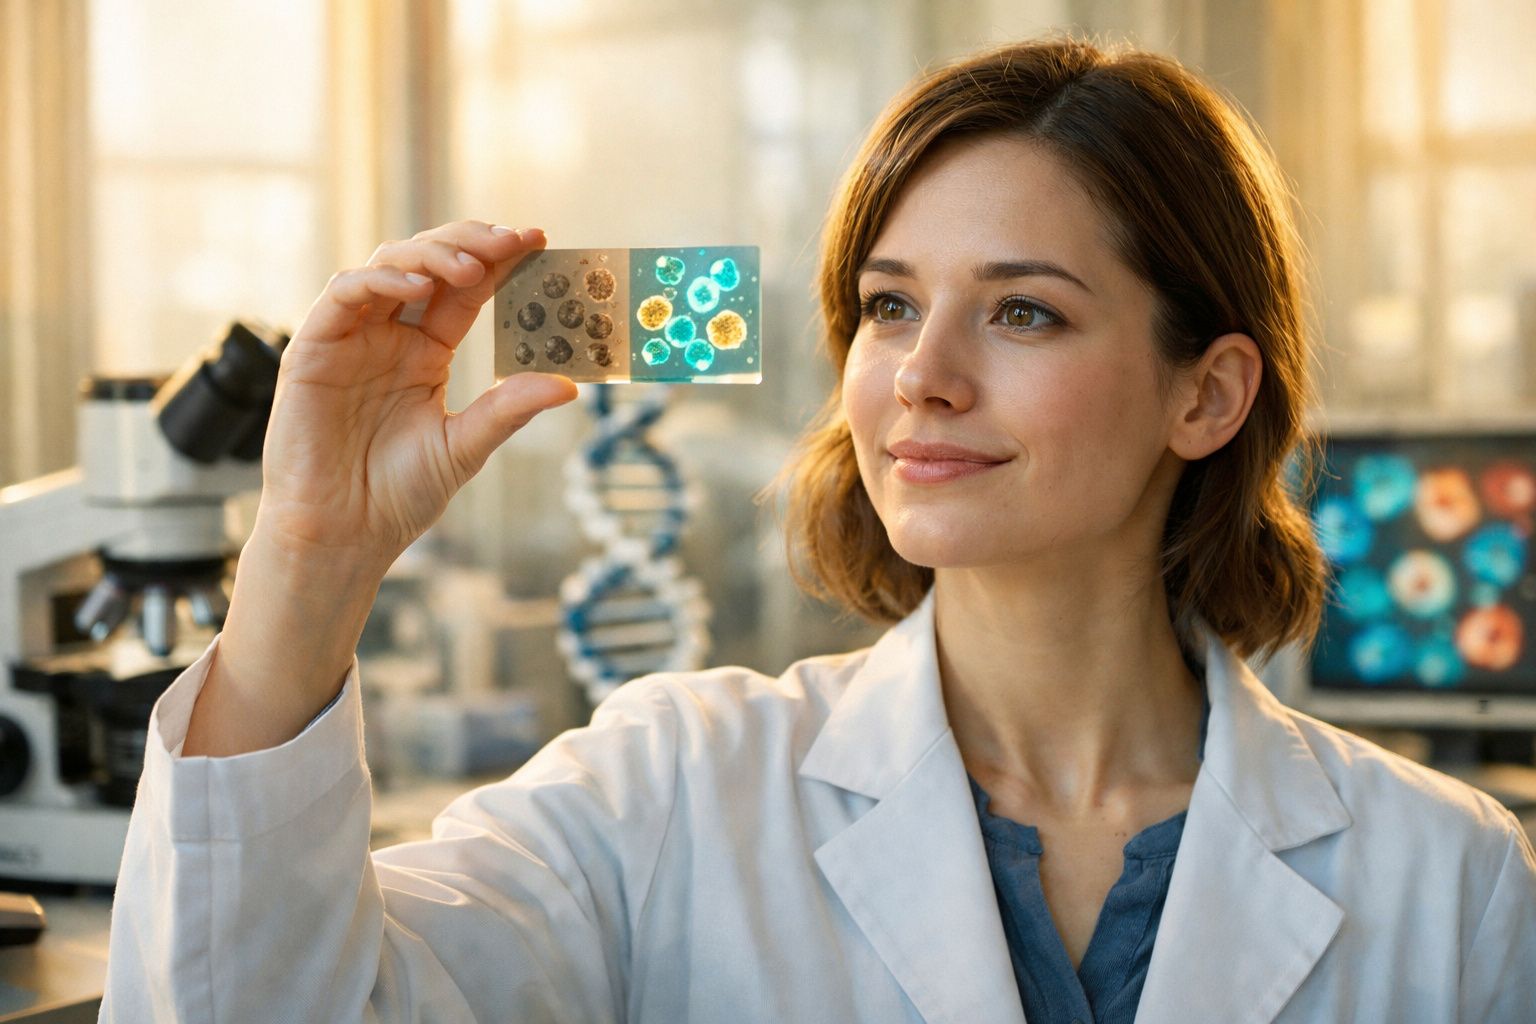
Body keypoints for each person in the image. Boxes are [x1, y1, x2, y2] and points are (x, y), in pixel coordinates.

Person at [101, 36, 1535, 1023]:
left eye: (1023, 310)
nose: (923, 376)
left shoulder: (1452, 883)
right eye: (890, 306)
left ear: (1208, 394)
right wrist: (307, 558)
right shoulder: (669, 791)